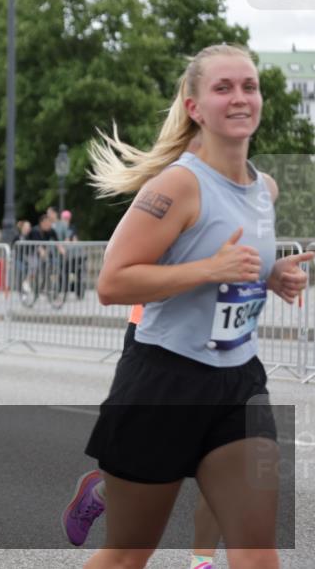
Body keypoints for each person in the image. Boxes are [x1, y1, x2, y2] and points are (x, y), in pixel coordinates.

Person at [82, 43, 312, 569]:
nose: (240, 98)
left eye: (249, 87)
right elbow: (113, 282)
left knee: (259, 558)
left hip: (239, 385)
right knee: (126, 557)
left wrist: (271, 275)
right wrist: (210, 270)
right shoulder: (178, 185)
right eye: (223, 88)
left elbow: (234, 262)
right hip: (164, 383)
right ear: (195, 107)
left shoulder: (265, 189)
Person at [63, 306, 223, 569]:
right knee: (148, 462)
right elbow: (111, 286)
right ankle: (100, 494)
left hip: (225, 344)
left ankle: (202, 563)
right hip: (156, 338)